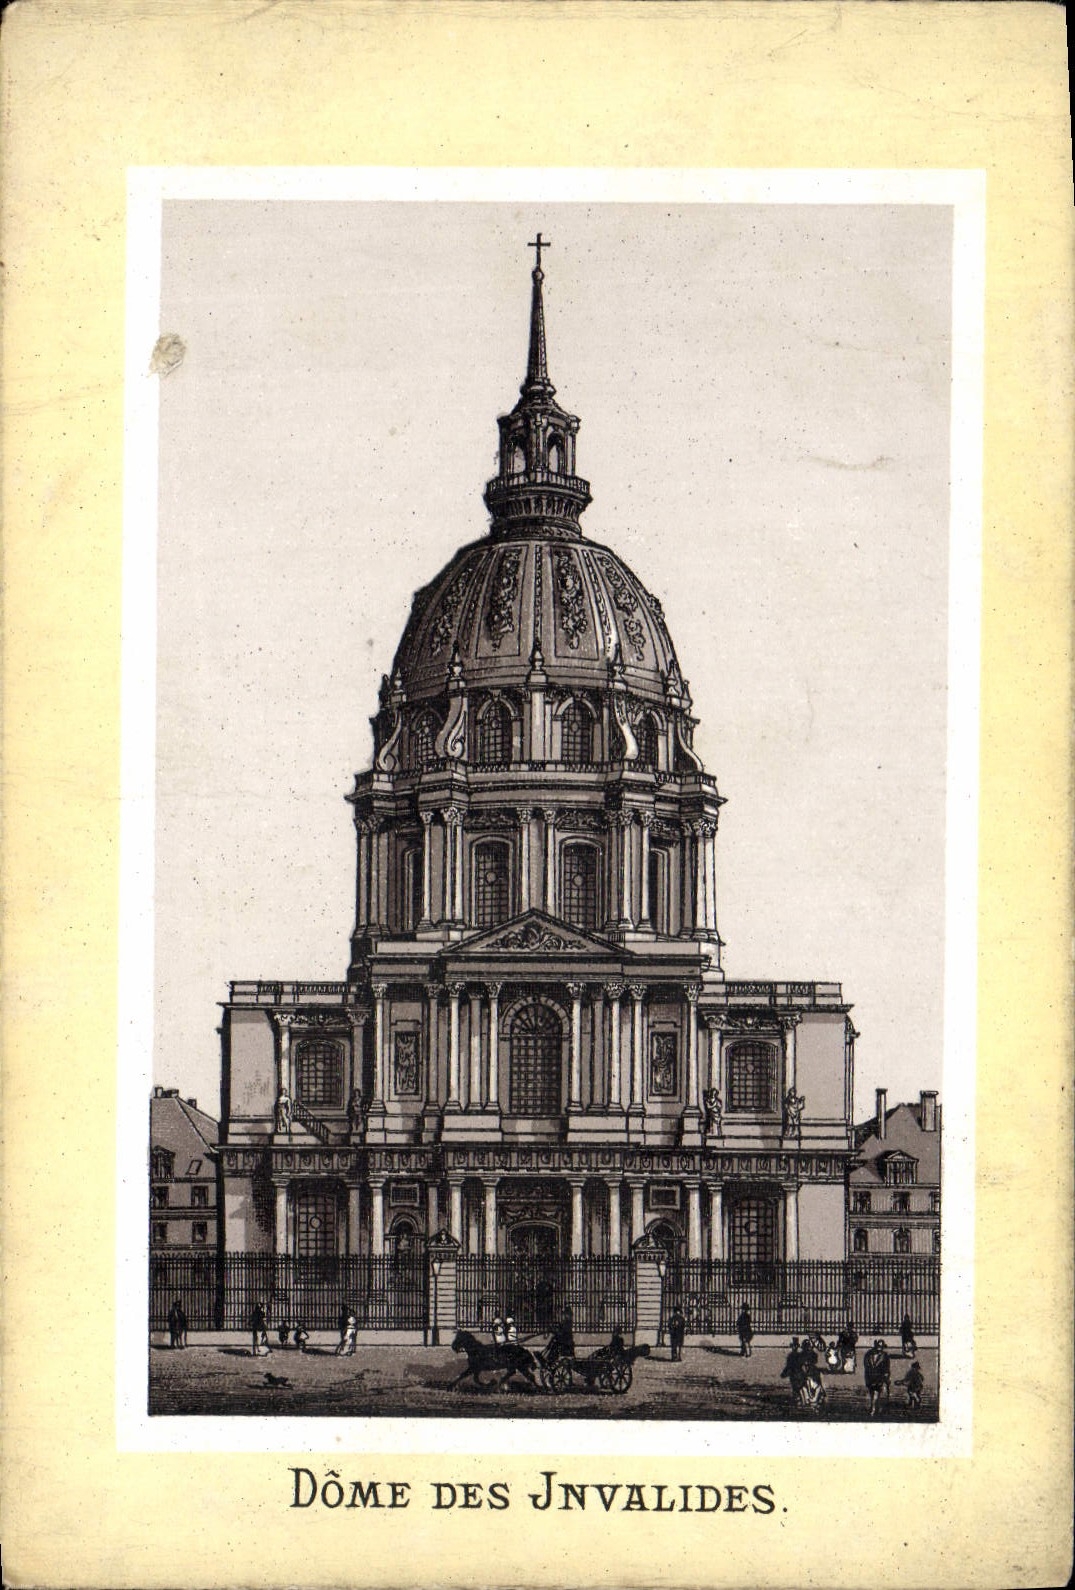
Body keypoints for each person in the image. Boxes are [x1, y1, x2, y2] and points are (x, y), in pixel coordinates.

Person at [863, 1339, 891, 1416]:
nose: (880, 1348)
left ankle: (873, 1409)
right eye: (878, 1346)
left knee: (876, 1392)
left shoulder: (885, 1355)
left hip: (879, 1378)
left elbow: (886, 1368)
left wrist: (886, 1376)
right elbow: (866, 1365)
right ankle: (874, 1407)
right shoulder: (868, 1354)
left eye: (881, 1347)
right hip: (870, 1377)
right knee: (872, 1393)